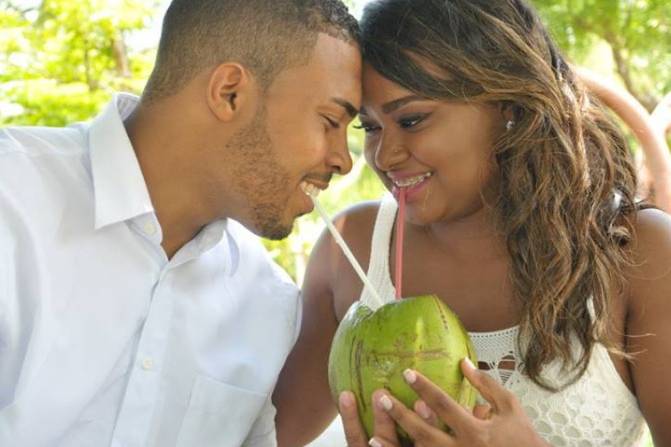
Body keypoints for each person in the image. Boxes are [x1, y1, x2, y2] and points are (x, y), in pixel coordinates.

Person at [273, 0, 671, 446]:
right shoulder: (352, 252)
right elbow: (263, 437)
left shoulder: (638, 252)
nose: (384, 157)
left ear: (507, 104)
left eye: (411, 119)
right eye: (371, 128)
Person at [0, 0, 361, 445]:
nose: (343, 160)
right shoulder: (11, 203)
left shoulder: (268, 306)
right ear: (230, 92)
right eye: (330, 121)